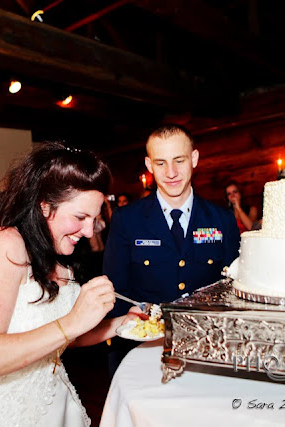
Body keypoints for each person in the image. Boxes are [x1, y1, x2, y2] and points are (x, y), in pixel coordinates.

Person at [0, 142, 141, 426]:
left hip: (54, 406)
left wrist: (121, 324)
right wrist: (73, 322)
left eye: (95, 219)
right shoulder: (1, 245)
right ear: (44, 205)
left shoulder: (56, 254)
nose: (90, 231)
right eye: (80, 217)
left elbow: (60, 335)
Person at [103, 124, 240, 373]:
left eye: (179, 160)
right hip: (146, 354)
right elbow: (116, 292)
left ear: (194, 159)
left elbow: (234, 288)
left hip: (208, 351)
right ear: (149, 165)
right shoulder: (127, 220)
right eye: (161, 163)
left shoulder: (222, 220)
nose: (171, 173)